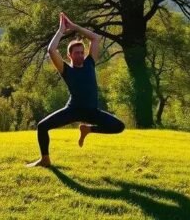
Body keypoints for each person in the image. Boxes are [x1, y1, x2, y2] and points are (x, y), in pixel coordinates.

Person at [26, 12, 125, 168]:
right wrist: (61, 31)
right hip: (73, 110)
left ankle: (88, 130)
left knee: (119, 126)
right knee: (42, 126)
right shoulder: (66, 70)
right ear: (69, 55)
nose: (80, 55)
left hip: (92, 111)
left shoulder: (90, 63)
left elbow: (95, 38)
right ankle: (45, 159)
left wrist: (74, 27)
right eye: (76, 53)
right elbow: (51, 50)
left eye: (81, 52)